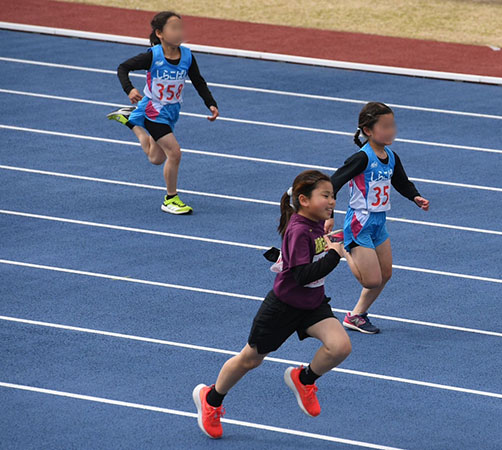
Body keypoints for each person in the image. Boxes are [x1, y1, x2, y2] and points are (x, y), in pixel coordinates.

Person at [193, 170, 352, 439]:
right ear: (304, 200)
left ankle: (304, 379)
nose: (332, 201)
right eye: (325, 196)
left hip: (312, 304)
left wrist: (331, 237)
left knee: (340, 347)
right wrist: (335, 255)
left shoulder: (315, 223)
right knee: (250, 359)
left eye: (333, 196)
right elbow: (301, 276)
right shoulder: (298, 230)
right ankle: (211, 398)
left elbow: (316, 247)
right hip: (283, 307)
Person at [326, 102, 430, 334]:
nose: (391, 131)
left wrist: (415, 197)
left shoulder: (391, 156)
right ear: (368, 130)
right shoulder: (362, 158)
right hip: (359, 222)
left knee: (385, 274)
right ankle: (340, 246)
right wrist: (329, 215)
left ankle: (355, 316)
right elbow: (333, 183)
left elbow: (401, 182)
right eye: (385, 127)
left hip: (379, 221)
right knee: (370, 281)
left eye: (393, 125)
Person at [107, 11, 219, 214]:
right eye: (173, 28)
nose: (179, 32)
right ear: (160, 33)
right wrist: (130, 89)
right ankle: (170, 199)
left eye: (181, 28)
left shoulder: (187, 56)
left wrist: (210, 103)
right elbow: (123, 68)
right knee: (174, 153)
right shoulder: (153, 56)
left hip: (171, 111)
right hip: (153, 109)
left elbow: (198, 81)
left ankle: (130, 121)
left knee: (156, 158)